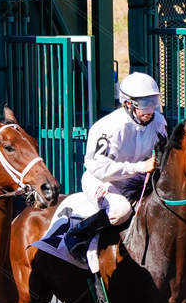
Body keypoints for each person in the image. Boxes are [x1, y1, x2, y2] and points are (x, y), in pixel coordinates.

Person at [46, 72, 165, 258]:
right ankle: (78, 234)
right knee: (121, 211)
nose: (151, 109)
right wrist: (138, 168)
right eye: (144, 103)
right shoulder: (109, 127)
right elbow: (97, 166)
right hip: (101, 180)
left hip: (136, 178)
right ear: (128, 103)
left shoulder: (158, 122)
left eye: (153, 101)